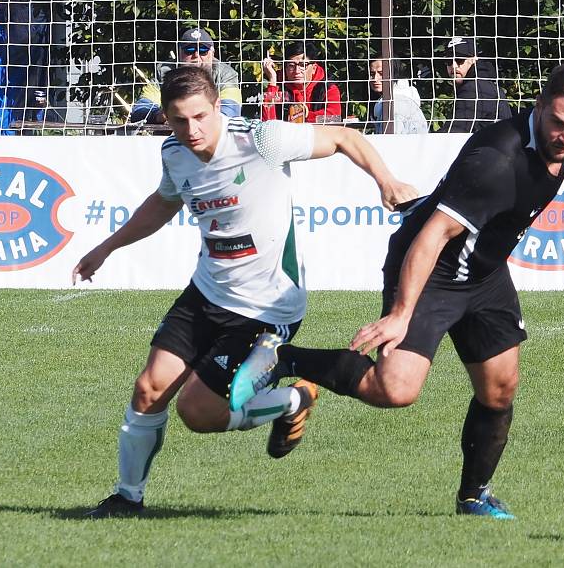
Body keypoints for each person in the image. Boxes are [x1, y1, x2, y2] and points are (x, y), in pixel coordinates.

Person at [228, 63, 564, 519]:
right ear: (539, 105)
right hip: (431, 269)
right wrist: (400, 313)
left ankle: (473, 496)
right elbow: (430, 237)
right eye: (558, 123)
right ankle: (288, 361)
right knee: (394, 389)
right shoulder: (496, 160)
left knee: (500, 390)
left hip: (484, 272)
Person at [74, 65, 417, 518]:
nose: (191, 129)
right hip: (206, 292)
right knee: (148, 389)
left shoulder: (261, 139)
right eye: (179, 119)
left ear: (217, 106)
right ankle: (127, 497)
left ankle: (295, 396)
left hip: (268, 306)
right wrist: (107, 247)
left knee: (198, 413)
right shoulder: (174, 152)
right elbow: (163, 202)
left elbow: (342, 138)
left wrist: (386, 181)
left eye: (200, 116)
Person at [130, 27, 242, 124]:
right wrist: (158, 116)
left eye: (203, 50)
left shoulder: (226, 74)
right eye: (189, 50)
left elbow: (231, 110)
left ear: (213, 53)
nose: (196, 55)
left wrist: (190, 117)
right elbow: (140, 109)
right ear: (179, 54)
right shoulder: (164, 71)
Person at [439, 37, 512, 133]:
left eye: (459, 59)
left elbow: (453, 132)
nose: (454, 65)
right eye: (448, 61)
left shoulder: (474, 89)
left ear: (474, 59)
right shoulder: (486, 84)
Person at [261, 41, 342, 123]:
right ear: (285, 67)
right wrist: (272, 79)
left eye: (303, 65)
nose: (297, 71)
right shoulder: (278, 86)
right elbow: (267, 121)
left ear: (314, 68)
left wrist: (305, 115)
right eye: (291, 65)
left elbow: (334, 118)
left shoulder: (328, 88)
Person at [368, 58, 429, 134]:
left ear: (394, 74)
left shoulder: (396, 104)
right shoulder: (400, 98)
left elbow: (391, 142)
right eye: (372, 74)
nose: (375, 79)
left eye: (381, 73)